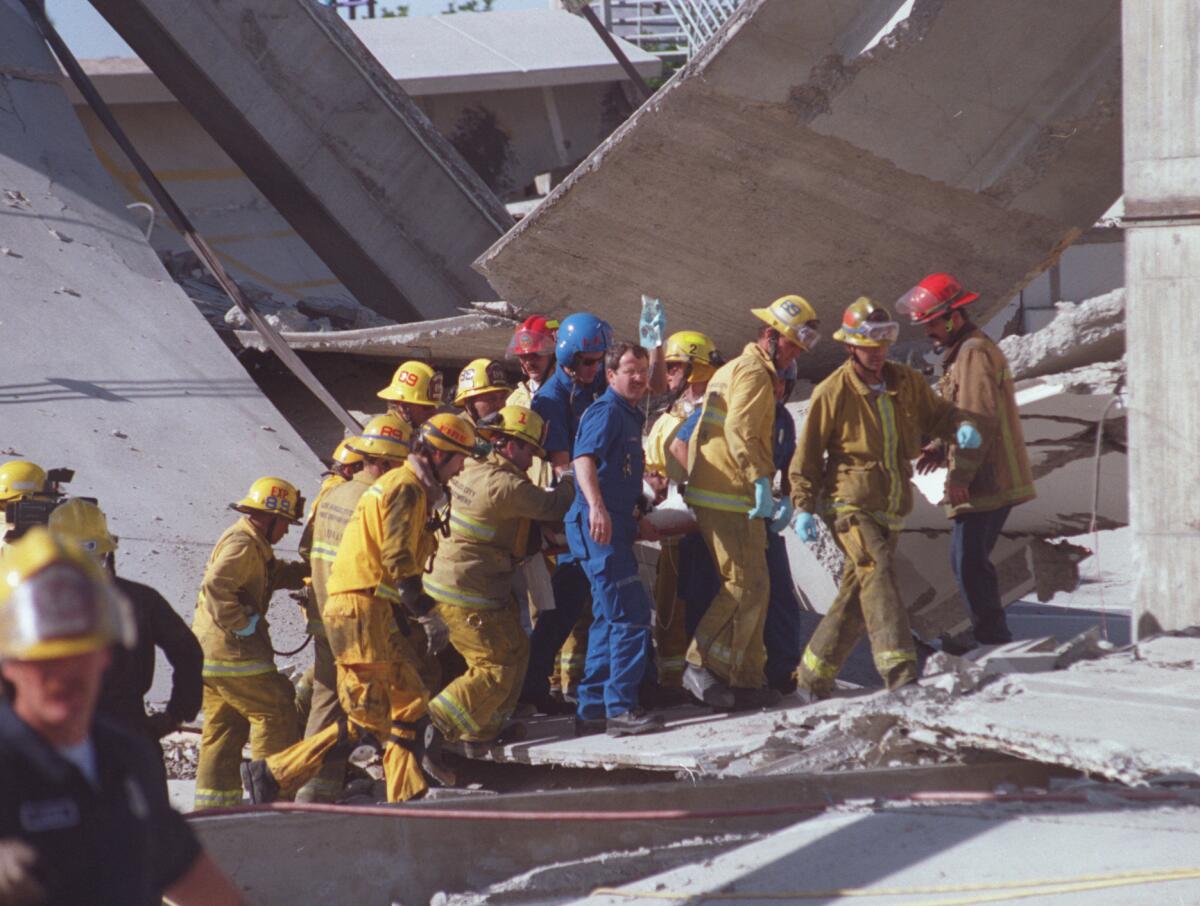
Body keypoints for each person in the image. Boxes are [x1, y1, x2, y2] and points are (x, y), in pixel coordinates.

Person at [242, 414, 479, 804]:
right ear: (437, 454)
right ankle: (272, 773)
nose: (462, 468)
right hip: (359, 608)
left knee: (410, 705)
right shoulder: (406, 488)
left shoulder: (400, 484)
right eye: (458, 458)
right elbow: (398, 557)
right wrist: (426, 612)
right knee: (366, 719)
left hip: (371, 606)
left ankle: (407, 795)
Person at [0, 529, 244, 905]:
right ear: (9, 664)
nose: (64, 676)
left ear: (105, 654)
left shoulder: (128, 760)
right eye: (44, 661)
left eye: (78, 653)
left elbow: (206, 891)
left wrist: (177, 713)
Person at [789, 297, 981, 698]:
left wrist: (959, 428)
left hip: (891, 506)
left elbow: (939, 416)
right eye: (868, 345)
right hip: (848, 504)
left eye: (883, 344)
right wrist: (803, 506)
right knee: (878, 573)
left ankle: (812, 676)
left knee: (858, 595)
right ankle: (900, 674)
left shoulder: (905, 383)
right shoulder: (833, 391)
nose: (878, 354)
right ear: (850, 346)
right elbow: (806, 455)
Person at [682, 295, 820, 710]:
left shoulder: (735, 370)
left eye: (798, 347)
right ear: (769, 335)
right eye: (790, 344)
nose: (793, 353)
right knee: (744, 585)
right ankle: (699, 664)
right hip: (728, 493)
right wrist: (760, 481)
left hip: (725, 492)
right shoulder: (754, 373)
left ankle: (741, 678)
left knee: (754, 587)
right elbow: (743, 430)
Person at [423, 406, 575, 746]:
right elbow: (554, 507)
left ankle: (484, 729)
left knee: (518, 650)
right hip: (467, 592)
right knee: (495, 665)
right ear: (510, 445)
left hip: (452, 582)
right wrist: (569, 476)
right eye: (529, 453)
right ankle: (432, 726)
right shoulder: (505, 485)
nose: (530, 462)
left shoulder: (474, 466)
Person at [898, 272, 1036, 646]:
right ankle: (989, 634)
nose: (929, 333)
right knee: (969, 560)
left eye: (931, 324)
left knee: (968, 561)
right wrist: (941, 448)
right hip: (988, 473)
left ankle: (992, 638)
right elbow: (963, 415)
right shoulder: (964, 352)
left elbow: (976, 420)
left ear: (952, 316)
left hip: (988, 477)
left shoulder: (973, 353)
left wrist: (959, 477)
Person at [297, 415, 411, 802]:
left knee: (326, 702)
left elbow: (305, 550)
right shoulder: (377, 502)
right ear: (388, 464)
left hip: (323, 617)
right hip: (360, 621)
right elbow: (387, 567)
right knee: (377, 704)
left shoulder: (331, 495)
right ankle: (403, 789)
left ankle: (313, 792)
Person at [48, 500, 202, 769]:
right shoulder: (140, 599)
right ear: (105, 552)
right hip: (130, 736)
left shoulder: (33, 605)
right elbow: (188, 652)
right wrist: (175, 714)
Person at [191, 477, 308, 810]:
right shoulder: (243, 543)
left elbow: (267, 573)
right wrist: (242, 625)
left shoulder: (251, 541)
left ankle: (214, 807)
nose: (286, 531)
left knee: (224, 727)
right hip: (233, 653)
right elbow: (217, 586)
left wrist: (303, 572)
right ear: (269, 517)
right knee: (276, 707)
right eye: (285, 523)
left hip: (211, 655)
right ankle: (273, 797)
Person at [519, 313, 614, 713]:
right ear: (568, 359)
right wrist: (596, 499)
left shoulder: (593, 386)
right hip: (579, 508)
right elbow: (563, 466)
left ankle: (540, 683)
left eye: (600, 362)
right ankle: (536, 684)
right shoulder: (551, 400)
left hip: (601, 502)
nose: (595, 370)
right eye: (588, 363)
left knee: (587, 600)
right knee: (576, 599)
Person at [569, 342, 664, 737]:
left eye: (643, 370)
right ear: (611, 376)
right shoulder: (607, 411)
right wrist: (597, 507)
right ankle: (620, 708)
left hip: (617, 526)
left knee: (609, 617)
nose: (639, 377)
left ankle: (592, 708)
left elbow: (619, 472)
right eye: (630, 370)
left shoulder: (628, 414)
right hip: (599, 529)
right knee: (631, 613)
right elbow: (583, 460)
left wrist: (636, 514)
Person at [645, 330, 721, 692]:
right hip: (671, 512)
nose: (669, 373)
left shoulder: (716, 408)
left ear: (696, 367)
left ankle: (700, 674)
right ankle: (673, 678)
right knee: (669, 605)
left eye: (675, 365)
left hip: (702, 516)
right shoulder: (671, 412)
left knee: (700, 601)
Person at [377, 360, 444, 428]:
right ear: (401, 405)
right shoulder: (380, 434)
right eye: (426, 407)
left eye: (435, 407)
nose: (434, 413)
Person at [455, 358, 512, 425]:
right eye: (491, 399)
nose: (499, 405)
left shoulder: (507, 428)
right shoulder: (456, 428)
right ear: (468, 402)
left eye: (503, 398)